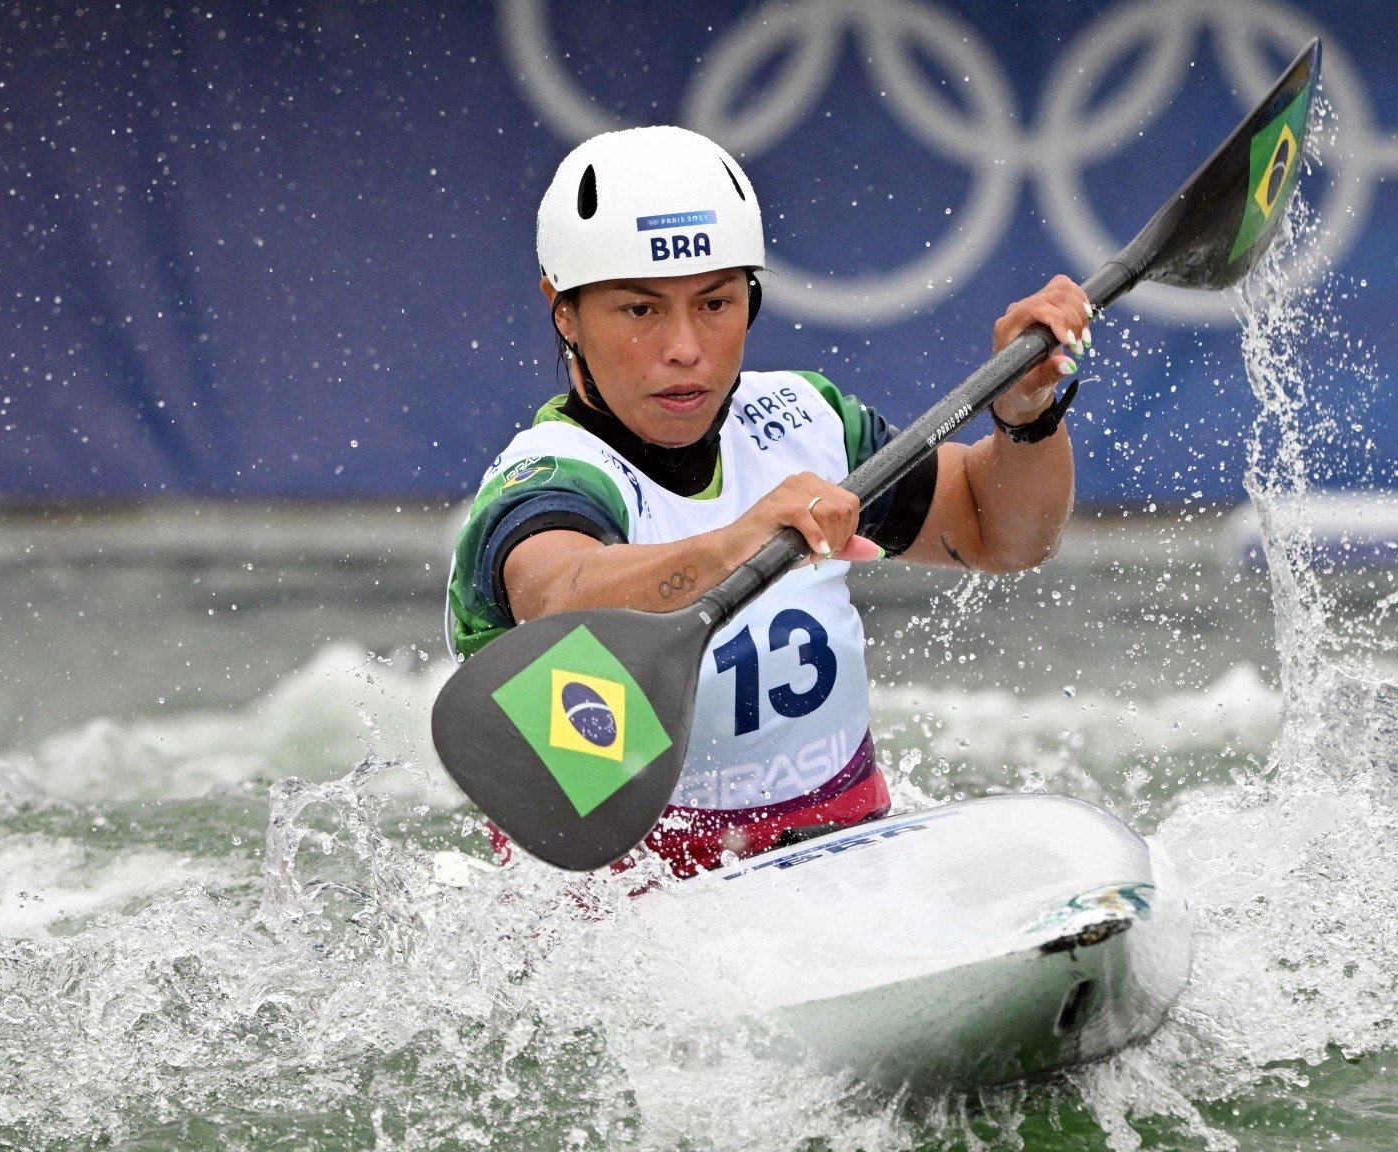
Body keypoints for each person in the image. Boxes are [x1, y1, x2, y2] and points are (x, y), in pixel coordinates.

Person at [446, 125, 1088, 876]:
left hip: (843, 861)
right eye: (641, 311)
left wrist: (1024, 413)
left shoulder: (803, 420)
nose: (685, 346)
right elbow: (561, 598)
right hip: (628, 922)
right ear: (565, 311)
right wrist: (736, 540)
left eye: (715, 304)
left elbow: (997, 535)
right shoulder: (551, 478)